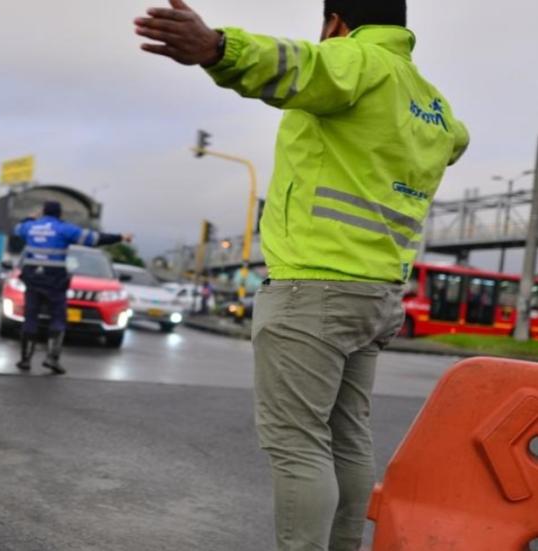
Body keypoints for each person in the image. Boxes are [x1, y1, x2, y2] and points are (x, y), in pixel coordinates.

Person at [136, 2, 468, 550]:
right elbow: (458, 140)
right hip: (378, 293)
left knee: (298, 445)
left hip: (314, 288)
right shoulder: (428, 99)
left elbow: (297, 64)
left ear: (335, 21)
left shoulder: (355, 61)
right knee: (347, 440)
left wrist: (219, 49)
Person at [14, 201, 132, 374]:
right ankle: (52, 358)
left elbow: (18, 228)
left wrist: (32, 217)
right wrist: (121, 237)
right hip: (54, 280)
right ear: (59, 214)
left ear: (43, 212)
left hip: (32, 278)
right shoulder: (64, 229)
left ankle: (25, 360)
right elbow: (95, 239)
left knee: (31, 317)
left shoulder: (30, 227)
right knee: (58, 318)